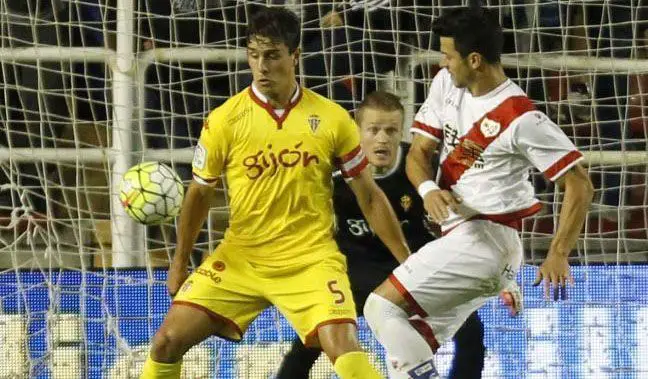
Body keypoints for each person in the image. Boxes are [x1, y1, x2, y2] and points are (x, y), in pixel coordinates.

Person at [140, 6, 411, 379]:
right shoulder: (224, 120)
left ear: (295, 56)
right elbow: (199, 195)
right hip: (243, 256)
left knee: (343, 347)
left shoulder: (332, 118)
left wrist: (407, 264)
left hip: (311, 257)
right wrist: (180, 262)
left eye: (272, 55)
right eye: (254, 56)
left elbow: (368, 196)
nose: (262, 66)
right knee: (165, 343)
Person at [362, 7, 594, 379]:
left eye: (449, 56)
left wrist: (559, 252)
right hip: (464, 242)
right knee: (406, 348)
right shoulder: (444, 84)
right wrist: (428, 189)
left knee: (380, 308)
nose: (443, 62)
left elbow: (580, 183)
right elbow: (419, 153)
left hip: (483, 242)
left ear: (474, 60)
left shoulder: (522, 118)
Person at [276, 91, 490, 379]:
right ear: (357, 131)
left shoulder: (419, 167)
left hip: (413, 270)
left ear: (401, 131)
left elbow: (467, 184)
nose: (382, 139)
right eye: (373, 130)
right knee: (311, 339)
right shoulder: (332, 174)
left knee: (471, 329)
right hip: (354, 274)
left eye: (391, 130)